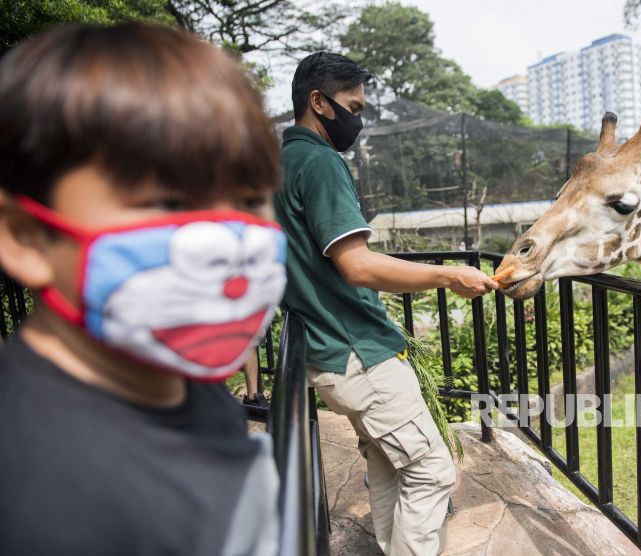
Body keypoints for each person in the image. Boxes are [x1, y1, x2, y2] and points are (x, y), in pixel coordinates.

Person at [0, 24, 287, 555]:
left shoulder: (184, 384)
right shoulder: (33, 499)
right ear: (25, 237)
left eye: (250, 200)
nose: (229, 241)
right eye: (172, 203)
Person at [275, 51, 499, 556]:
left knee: (386, 462)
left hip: (326, 351)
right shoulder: (320, 162)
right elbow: (357, 265)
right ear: (318, 102)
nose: (358, 118)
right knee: (431, 470)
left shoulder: (279, 164)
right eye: (352, 105)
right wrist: (448, 274)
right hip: (358, 353)